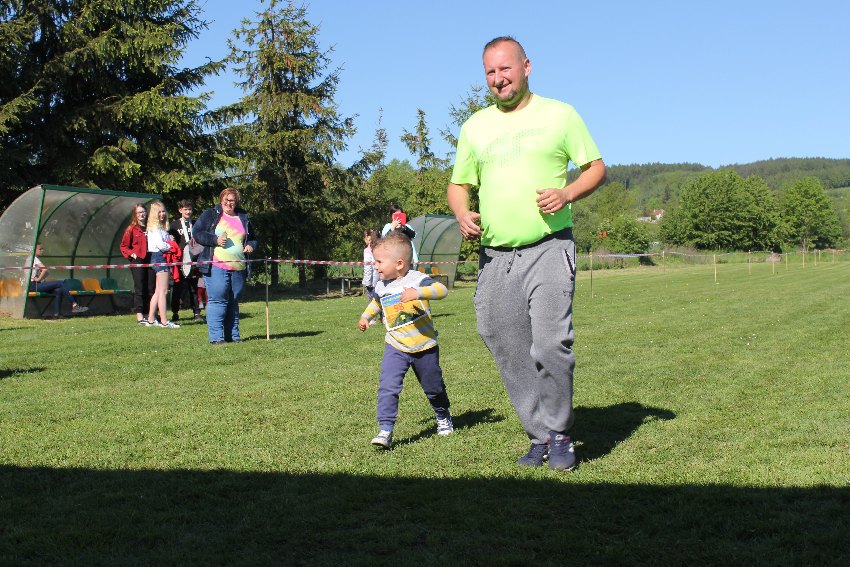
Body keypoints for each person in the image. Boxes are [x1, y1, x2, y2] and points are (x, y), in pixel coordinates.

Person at [447, 36, 607, 471]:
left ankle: (559, 433)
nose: (499, 78)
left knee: (551, 343)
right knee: (504, 342)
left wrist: (567, 193)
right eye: (490, 72)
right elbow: (458, 184)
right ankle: (539, 435)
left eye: (506, 68)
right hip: (496, 256)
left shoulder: (560, 114)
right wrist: (461, 212)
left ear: (526, 67)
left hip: (549, 247)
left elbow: (595, 167)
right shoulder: (475, 126)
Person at [357, 231, 453, 449]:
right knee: (388, 386)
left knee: (433, 387)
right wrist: (365, 317)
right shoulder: (381, 285)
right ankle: (385, 429)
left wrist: (418, 293)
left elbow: (442, 290)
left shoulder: (417, 279)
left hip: (424, 346)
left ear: (399, 263)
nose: (375, 266)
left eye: (379, 262)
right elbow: (376, 304)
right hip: (395, 346)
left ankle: (442, 414)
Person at [193, 188, 257, 345]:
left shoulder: (243, 217)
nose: (229, 203)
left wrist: (250, 245)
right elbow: (197, 232)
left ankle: (233, 336)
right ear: (221, 200)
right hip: (216, 265)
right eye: (226, 200)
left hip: (239, 266)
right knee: (218, 299)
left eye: (232, 200)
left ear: (236, 202)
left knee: (233, 301)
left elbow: (253, 238)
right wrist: (214, 240)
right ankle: (216, 338)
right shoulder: (211, 214)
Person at [144, 200, 180, 329]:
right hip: (159, 257)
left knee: (158, 291)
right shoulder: (155, 228)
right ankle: (164, 321)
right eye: (159, 212)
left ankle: (151, 319)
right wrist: (171, 246)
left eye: (163, 211)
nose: (162, 214)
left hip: (159, 257)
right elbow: (161, 245)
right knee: (164, 291)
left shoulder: (161, 228)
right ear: (154, 214)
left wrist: (169, 241)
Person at [27, 243, 89, 318]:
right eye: (40, 249)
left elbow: (47, 271)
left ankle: (57, 314)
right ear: (34, 250)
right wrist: (39, 279)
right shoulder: (33, 258)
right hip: (33, 286)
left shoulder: (34, 259)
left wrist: (40, 278)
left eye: (42, 249)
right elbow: (45, 270)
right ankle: (74, 304)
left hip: (37, 284)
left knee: (58, 290)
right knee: (61, 283)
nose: (42, 250)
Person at [168, 199, 203, 323]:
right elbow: (168, 240)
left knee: (194, 287)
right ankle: (175, 312)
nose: (188, 212)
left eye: (190, 209)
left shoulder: (196, 224)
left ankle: (197, 312)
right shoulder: (174, 225)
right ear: (180, 210)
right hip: (180, 260)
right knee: (178, 287)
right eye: (185, 209)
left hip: (194, 260)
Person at [120, 203, 155, 325]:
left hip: (151, 259)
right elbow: (123, 246)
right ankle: (139, 315)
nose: (141, 214)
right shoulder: (131, 228)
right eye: (139, 212)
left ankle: (150, 314)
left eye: (143, 212)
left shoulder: (151, 227)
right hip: (138, 260)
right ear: (135, 214)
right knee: (140, 288)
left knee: (151, 288)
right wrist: (131, 254)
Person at [361, 228, 379, 301]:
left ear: (368, 237)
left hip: (372, 284)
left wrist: (367, 283)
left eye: (364, 237)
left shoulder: (367, 251)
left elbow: (368, 268)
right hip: (382, 281)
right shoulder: (380, 248)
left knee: (373, 304)